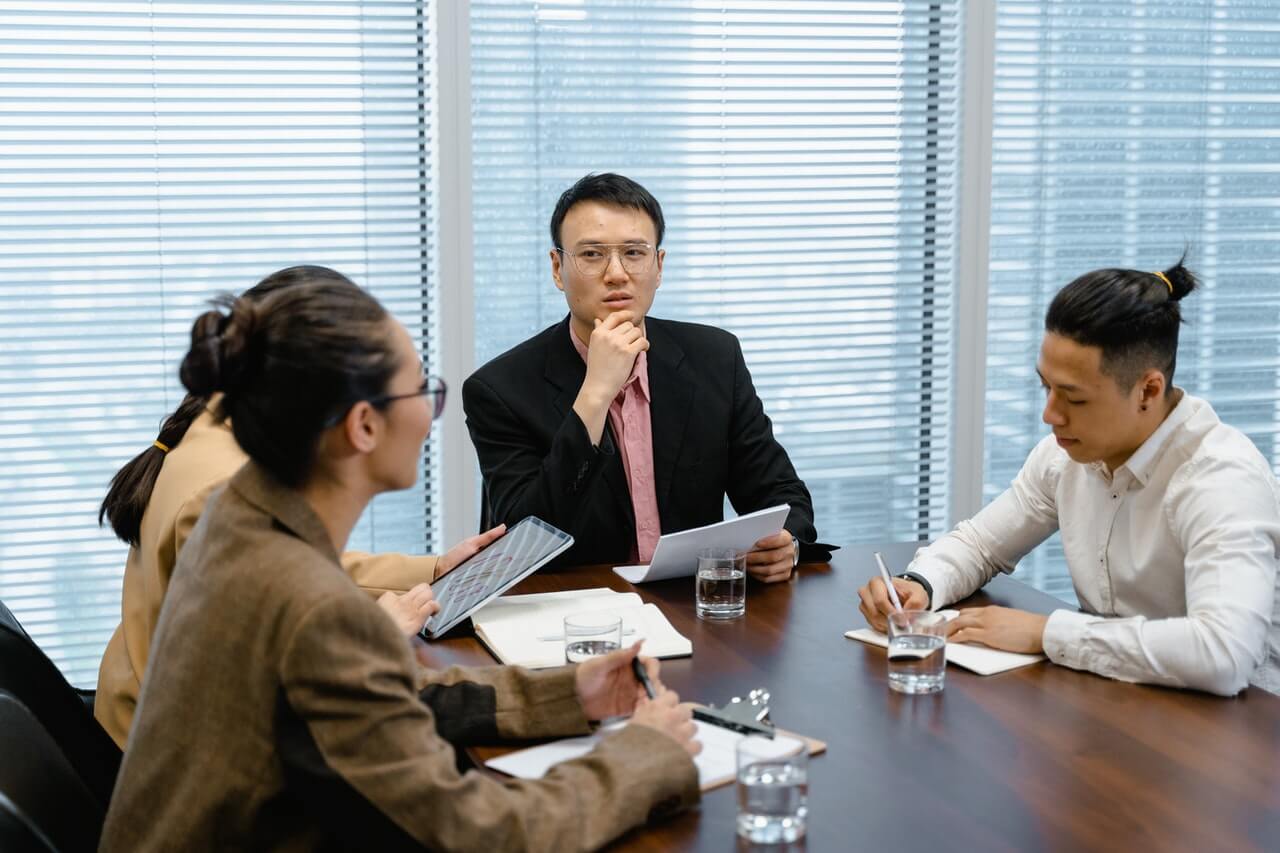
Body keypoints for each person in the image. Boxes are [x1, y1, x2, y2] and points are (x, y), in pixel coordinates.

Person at [99, 271, 701, 851]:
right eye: (421, 388)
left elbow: (372, 693)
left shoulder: (240, 517)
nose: (430, 410)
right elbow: (482, 834)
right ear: (363, 426)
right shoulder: (309, 604)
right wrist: (644, 755)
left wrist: (569, 693)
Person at [94, 266, 505, 749]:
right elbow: (265, 689)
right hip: (174, 744)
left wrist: (434, 568)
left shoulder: (217, 426)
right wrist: (377, 636)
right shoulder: (228, 489)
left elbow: (288, 563)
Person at [858, 260, 1280, 697]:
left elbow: (1222, 654)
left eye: (1074, 398)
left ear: (1148, 391)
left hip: (1237, 732)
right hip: (1122, 698)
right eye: (1047, 387)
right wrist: (921, 586)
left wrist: (1046, 634)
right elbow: (981, 545)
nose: (1050, 414)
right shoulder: (1067, 457)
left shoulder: (1221, 480)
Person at [463, 173, 825, 581]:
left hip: (696, 606)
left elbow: (780, 494)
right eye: (592, 255)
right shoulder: (500, 389)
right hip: (573, 614)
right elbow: (524, 543)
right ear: (558, 268)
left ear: (658, 266)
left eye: (634, 252)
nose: (617, 273)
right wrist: (595, 393)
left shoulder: (715, 358)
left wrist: (787, 543)